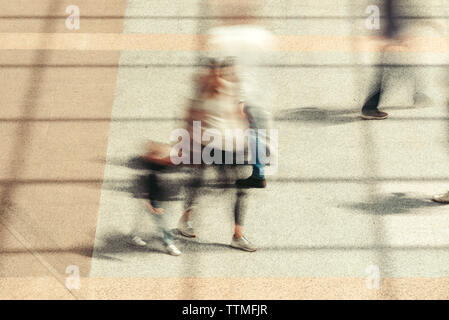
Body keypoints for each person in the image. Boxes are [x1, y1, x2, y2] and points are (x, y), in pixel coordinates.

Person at [177, 58, 258, 252]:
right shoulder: (202, 92)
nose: (229, 77)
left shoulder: (235, 90)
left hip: (232, 146)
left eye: (233, 73)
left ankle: (238, 236)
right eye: (226, 73)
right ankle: (185, 220)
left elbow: (240, 115)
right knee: (197, 183)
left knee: (241, 189)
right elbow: (190, 117)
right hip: (207, 145)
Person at [205, 0, 277, 188]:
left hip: (239, 92)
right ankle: (259, 165)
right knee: (256, 129)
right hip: (258, 91)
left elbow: (221, 65)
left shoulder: (223, 36)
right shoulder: (261, 35)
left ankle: (257, 172)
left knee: (246, 129)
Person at [128, 142, 182, 256]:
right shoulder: (150, 172)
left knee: (144, 218)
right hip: (151, 197)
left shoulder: (166, 165)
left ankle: (134, 234)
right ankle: (168, 243)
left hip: (161, 196)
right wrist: (153, 207)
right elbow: (145, 192)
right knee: (160, 220)